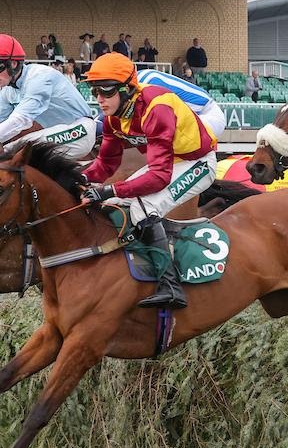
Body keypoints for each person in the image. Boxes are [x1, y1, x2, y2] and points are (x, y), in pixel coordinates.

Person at [77, 53, 217, 310]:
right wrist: (79, 179)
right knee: (116, 203)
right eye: (95, 91)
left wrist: (108, 189)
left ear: (127, 89)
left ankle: (171, 286)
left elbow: (160, 177)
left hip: (197, 163)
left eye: (105, 92)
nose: (99, 99)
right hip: (168, 164)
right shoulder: (113, 116)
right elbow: (106, 164)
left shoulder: (157, 107)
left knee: (143, 210)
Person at [0, 32, 96, 163]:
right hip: (59, 132)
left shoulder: (39, 78)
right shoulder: (8, 90)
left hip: (81, 131)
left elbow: (19, 121)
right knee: (6, 150)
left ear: (13, 63)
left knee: (14, 150)